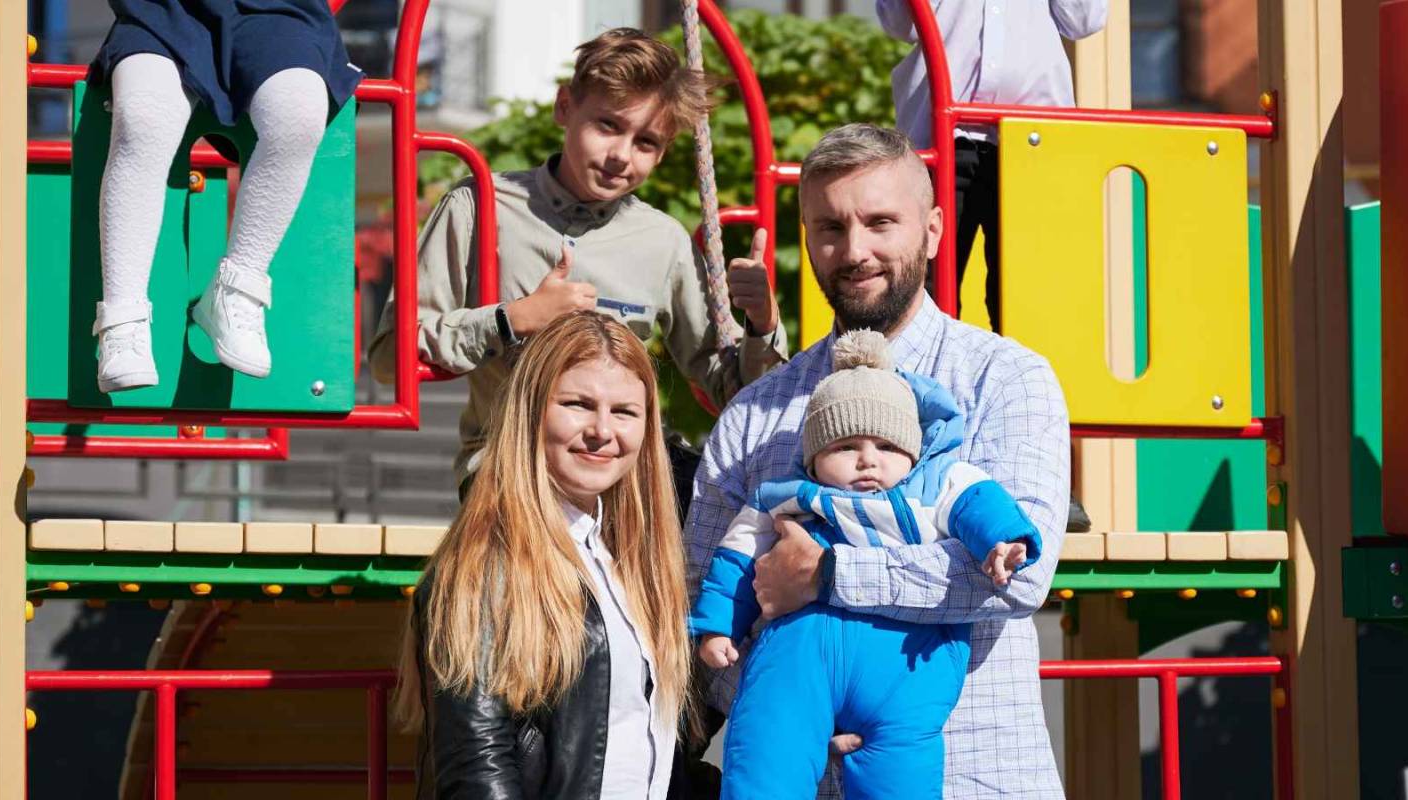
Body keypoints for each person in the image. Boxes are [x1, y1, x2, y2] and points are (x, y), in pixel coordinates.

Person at [686, 123, 1071, 798]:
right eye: (830, 228)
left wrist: (829, 575)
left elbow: (1018, 576)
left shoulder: (1004, 379)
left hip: (972, 772)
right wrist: (800, 707)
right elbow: (702, 600)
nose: (854, 250)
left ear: (932, 229)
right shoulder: (754, 415)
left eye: (880, 222)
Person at [369, 28, 786, 500]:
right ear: (565, 107)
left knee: (749, 506)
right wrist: (510, 320)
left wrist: (761, 326)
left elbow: (733, 391)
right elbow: (389, 357)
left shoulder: (662, 241)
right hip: (514, 467)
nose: (620, 156)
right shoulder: (480, 206)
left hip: (626, 470)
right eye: (607, 126)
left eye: (645, 143)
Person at [691, 330, 1040, 799]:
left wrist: (1003, 543)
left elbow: (982, 505)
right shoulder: (784, 497)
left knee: (903, 774)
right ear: (813, 459)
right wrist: (718, 627)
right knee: (767, 750)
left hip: (905, 673)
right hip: (799, 668)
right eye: (845, 447)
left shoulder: (937, 486)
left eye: (888, 447)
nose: (868, 461)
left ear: (913, 453)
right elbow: (732, 559)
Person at [397, 311, 695, 798]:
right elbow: (477, 773)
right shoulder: (485, 567)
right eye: (578, 404)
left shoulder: (629, 564)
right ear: (533, 412)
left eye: (624, 412)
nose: (602, 430)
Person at [90, 0, 363, 391]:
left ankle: (239, 288)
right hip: (159, 9)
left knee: (299, 111)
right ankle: (122, 316)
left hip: (277, 10)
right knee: (144, 117)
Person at [876, 0, 1108, 328]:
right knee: (928, 285)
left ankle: (1014, 377)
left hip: (1031, 138)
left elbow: (1084, 20)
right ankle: (925, 375)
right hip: (943, 134)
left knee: (1020, 290)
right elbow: (901, 24)